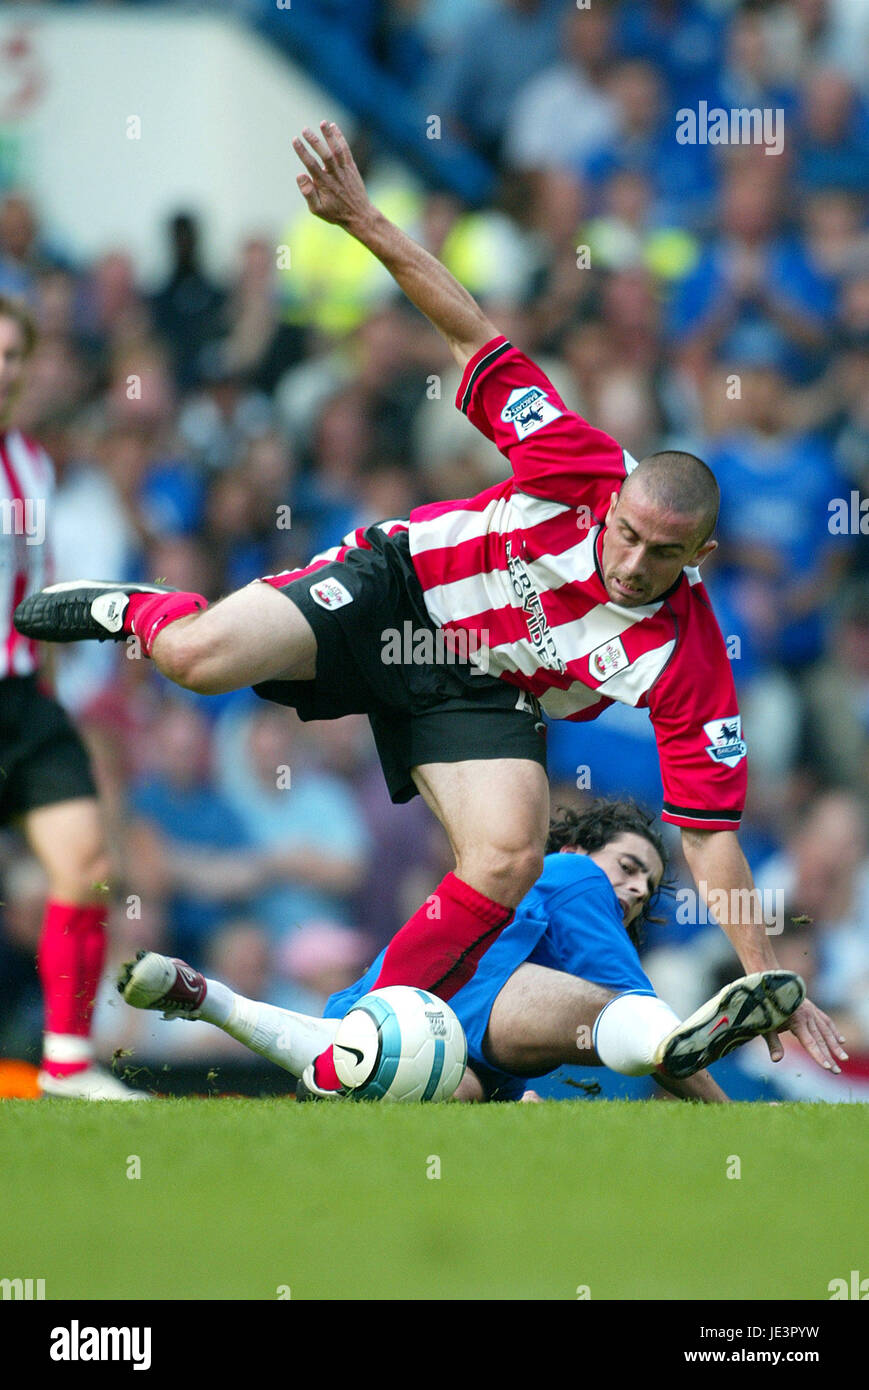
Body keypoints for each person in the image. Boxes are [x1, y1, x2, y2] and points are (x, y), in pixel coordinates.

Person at [14, 122, 846, 1099]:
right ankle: (146, 608)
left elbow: (708, 833)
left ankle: (362, 1044)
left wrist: (760, 976)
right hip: (395, 591)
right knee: (195, 660)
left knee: (505, 855)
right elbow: (467, 329)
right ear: (612, 500)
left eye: (658, 555)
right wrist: (362, 218)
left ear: (696, 558)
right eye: (622, 533)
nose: (626, 563)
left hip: (483, 687)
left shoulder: (689, 654)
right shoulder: (576, 459)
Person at [116, 800, 806, 1103]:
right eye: (627, 864)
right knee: (627, 1015)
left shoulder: (540, 895)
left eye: (646, 886)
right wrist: (724, 1114)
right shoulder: (572, 876)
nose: (630, 887)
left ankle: (205, 997)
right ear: (576, 849)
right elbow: (636, 1013)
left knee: (452, 1085)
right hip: (458, 997)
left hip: (381, 1012)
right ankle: (679, 1038)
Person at [0, 294, 143, 1098]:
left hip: (22, 696)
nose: (5, 370)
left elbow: (34, 587)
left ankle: (64, 1064)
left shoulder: (30, 461)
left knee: (85, 864)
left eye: (15, 356)